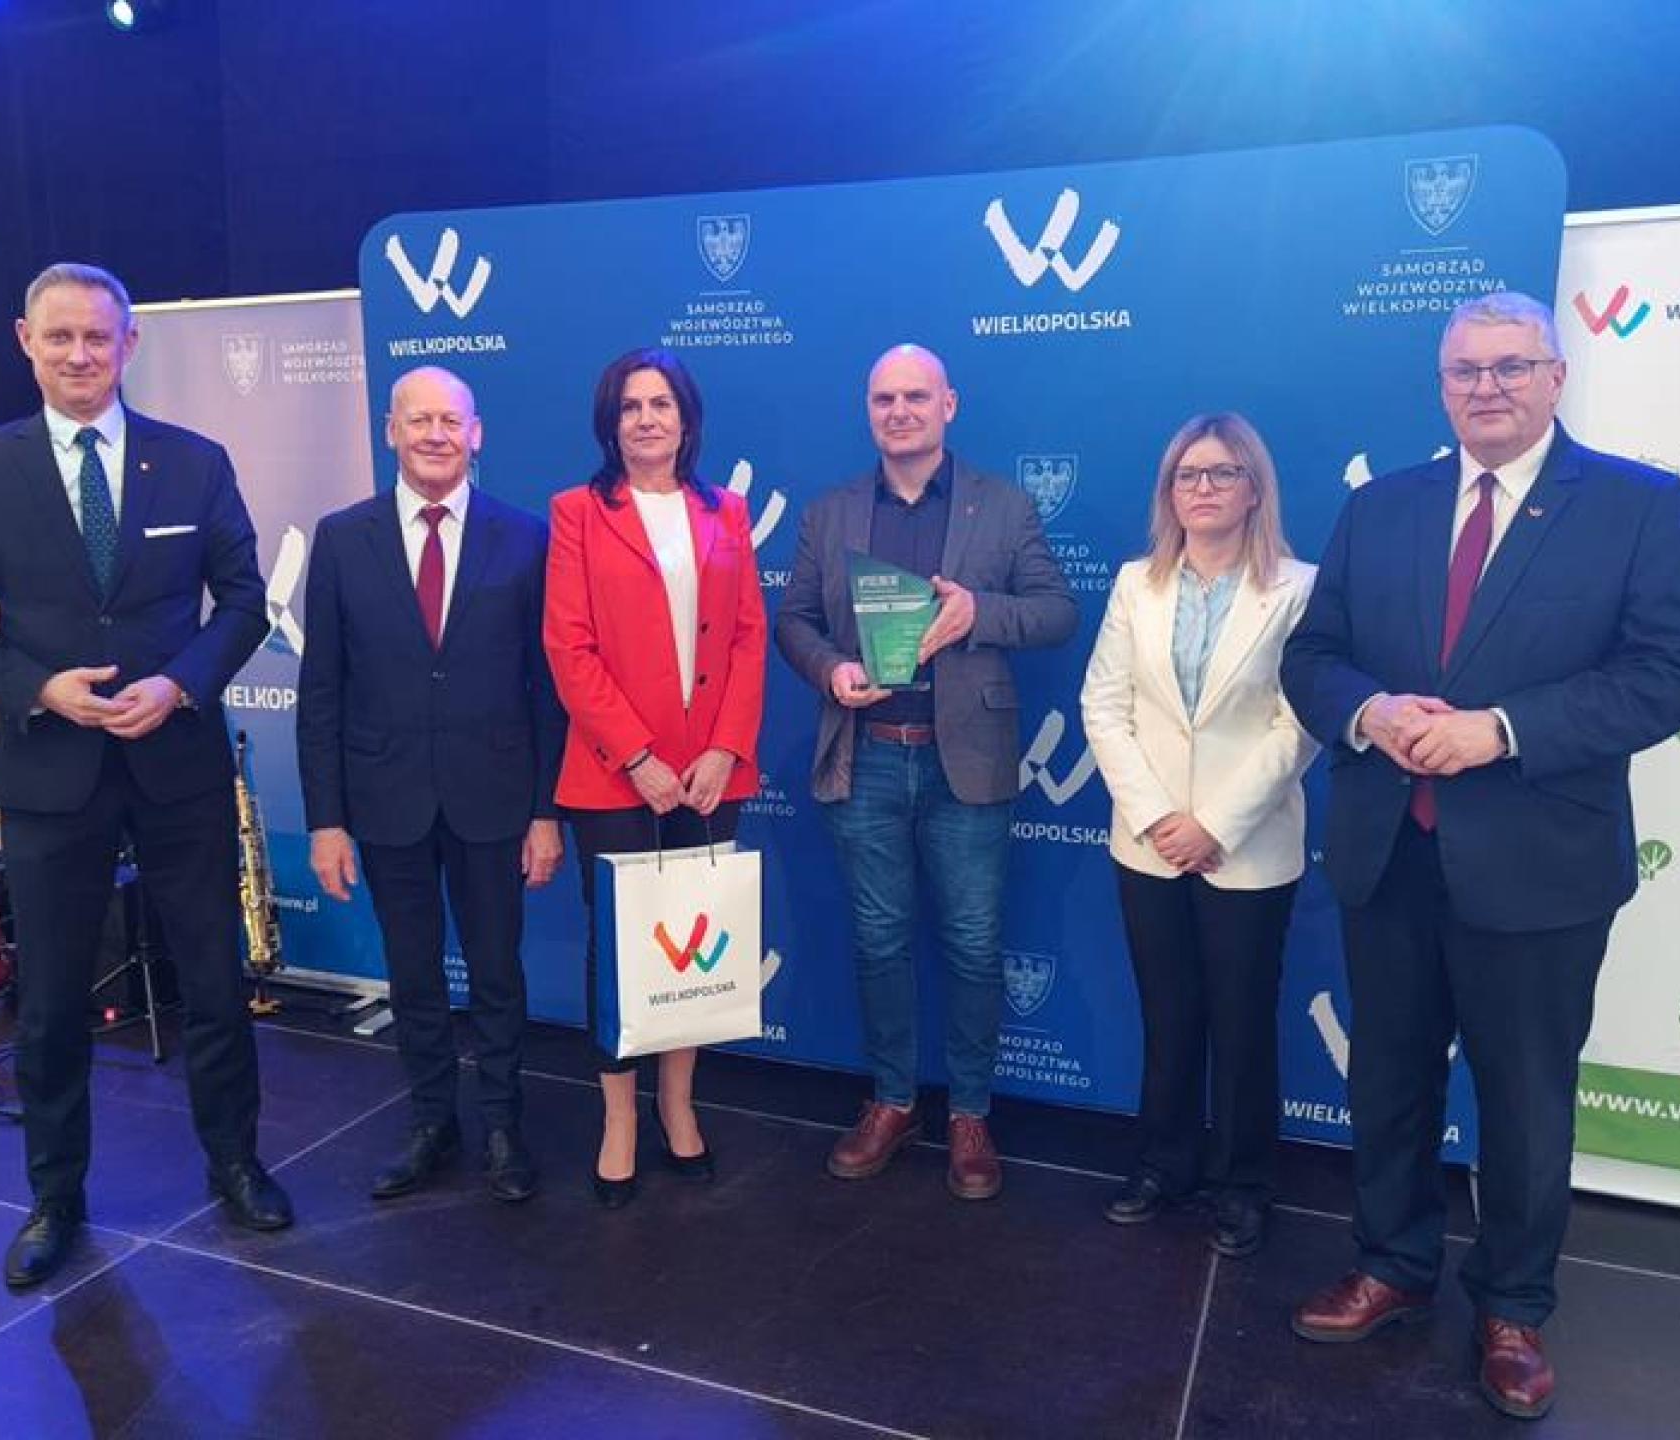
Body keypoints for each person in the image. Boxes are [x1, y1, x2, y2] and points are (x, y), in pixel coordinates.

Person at [1279, 293, 1680, 1420]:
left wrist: (1504, 730)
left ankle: (1514, 1306)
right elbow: (1313, 656)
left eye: (1512, 366)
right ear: (1441, 386)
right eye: (1465, 370)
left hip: (1539, 862)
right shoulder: (1381, 507)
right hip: (1389, 851)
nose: (1488, 387)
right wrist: (1370, 712)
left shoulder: (1636, 504)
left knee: (1524, 1097)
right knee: (1388, 1076)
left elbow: (1672, 674)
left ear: (1556, 376)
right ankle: (1391, 1263)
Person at [0, 262, 292, 1289]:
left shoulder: (195, 460)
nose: (80, 354)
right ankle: (55, 1199)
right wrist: (37, 688)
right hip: (50, 771)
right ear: (25, 342)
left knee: (213, 980)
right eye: (60, 336)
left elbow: (243, 601)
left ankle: (237, 1162)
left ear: (130, 344)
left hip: (177, 763)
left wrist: (181, 683)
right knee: (48, 1003)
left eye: (97, 337)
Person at [775, 343, 1076, 1201]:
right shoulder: (830, 512)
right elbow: (793, 620)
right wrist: (831, 669)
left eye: (916, 396)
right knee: (879, 940)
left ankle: (970, 1113)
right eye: (884, 399)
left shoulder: (1003, 505)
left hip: (965, 763)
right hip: (866, 754)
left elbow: (1057, 612)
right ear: (868, 411)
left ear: (949, 405)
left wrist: (980, 613)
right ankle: (894, 1100)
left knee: (975, 945)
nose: (899, 411)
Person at [297, 365, 567, 1205]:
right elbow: (322, 690)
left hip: (496, 799)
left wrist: (546, 812)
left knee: (496, 974)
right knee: (413, 974)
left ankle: (502, 1126)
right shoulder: (342, 538)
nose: (436, 435)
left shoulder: (525, 537)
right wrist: (326, 821)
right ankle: (430, 1123)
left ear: (476, 433)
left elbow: (547, 689)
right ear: (392, 431)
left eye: (451, 420)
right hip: (386, 801)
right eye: (419, 420)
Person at [1080, 412, 1317, 1258]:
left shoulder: (1298, 589)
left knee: (1243, 1022)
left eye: (1222, 473)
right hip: (1146, 843)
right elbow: (1103, 705)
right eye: (1188, 475)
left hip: (1246, 844)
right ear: (1169, 492)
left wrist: (1214, 824)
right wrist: (1158, 819)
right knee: (1169, 1013)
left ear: (1255, 488)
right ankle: (1164, 1164)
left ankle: (1244, 1184)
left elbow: (1298, 724)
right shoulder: (1134, 583)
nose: (1203, 488)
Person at [543, 347, 766, 1208]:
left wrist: (723, 749)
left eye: (661, 404)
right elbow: (569, 645)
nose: (646, 418)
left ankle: (678, 1106)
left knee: (694, 941)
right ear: (611, 422)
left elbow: (747, 636)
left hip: (710, 774)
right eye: (631, 405)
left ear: (685, 419)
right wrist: (636, 756)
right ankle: (619, 1121)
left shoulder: (726, 511)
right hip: (615, 775)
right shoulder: (577, 513)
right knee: (621, 949)